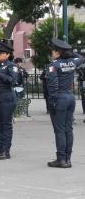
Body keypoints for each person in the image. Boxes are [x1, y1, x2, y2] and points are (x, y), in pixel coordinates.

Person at [46, 38, 84, 168]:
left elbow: (52, 86)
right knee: (68, 129)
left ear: (57, 53)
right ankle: (68, 158)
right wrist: (69, 53)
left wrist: (52, 103)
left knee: (60, 130)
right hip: (70, 97)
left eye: (53, 51)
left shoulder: (54, 65)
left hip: (59, 98)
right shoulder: (72, 62)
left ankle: (61, 159)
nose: (52, 53)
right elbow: (81, 57)